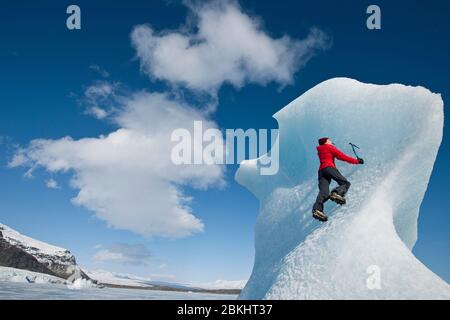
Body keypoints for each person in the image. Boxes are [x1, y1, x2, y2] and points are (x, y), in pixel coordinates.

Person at [312, 137, 364, 222]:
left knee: (324, 193)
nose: (331, 141)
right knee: (345, 183)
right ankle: (335, 193)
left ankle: (317, 210)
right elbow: (343, 157)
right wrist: (357, 161)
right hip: (329, 168)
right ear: (326, 142)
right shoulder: (329, 147)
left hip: (321, 171)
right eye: (329, 140)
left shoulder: (320, 150)